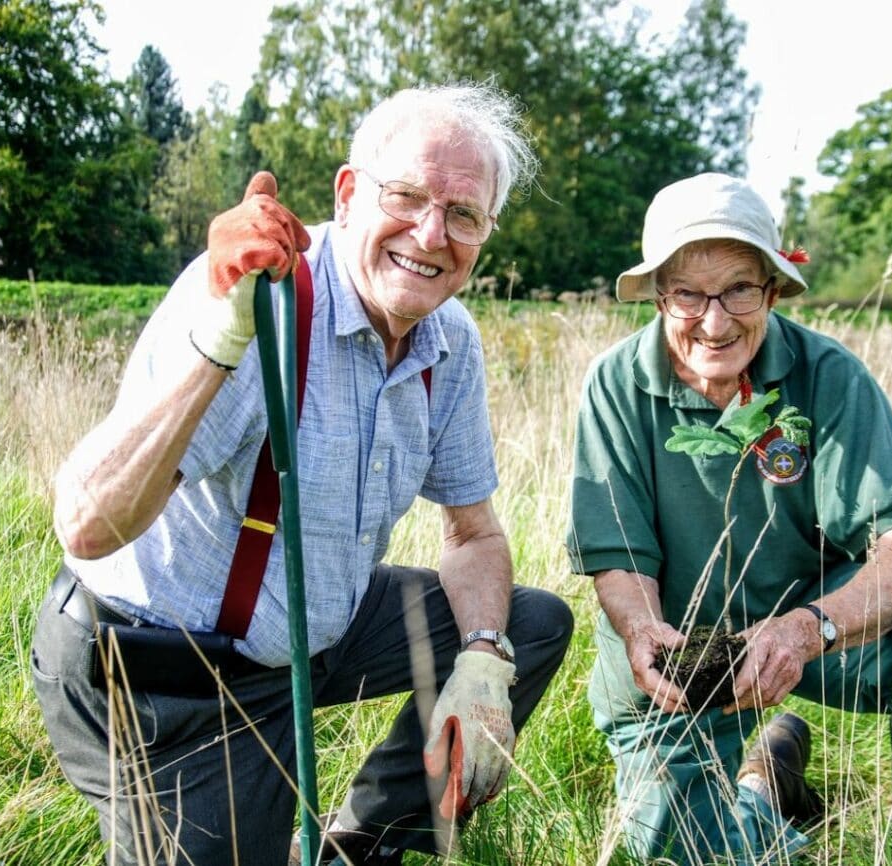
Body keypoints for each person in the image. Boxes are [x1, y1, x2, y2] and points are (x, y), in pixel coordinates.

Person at [32, 82, 573, 866]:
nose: (431, 233)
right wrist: (220, 345)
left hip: (305, 633)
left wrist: (484, 656)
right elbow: (88, 524)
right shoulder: (258, 297)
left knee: (526, 623)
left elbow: (474, 532)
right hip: (165, 674)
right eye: (406, 196)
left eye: (463, 214)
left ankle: (357, 845)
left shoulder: (448, 339)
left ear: (486, 231)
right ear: (349, 194)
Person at [566, 172, 892, 865]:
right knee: (695, 857)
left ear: (772, 289)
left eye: (740, 289)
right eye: (688, 292)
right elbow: (618, 555)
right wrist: (640, 629)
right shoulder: (615, 385)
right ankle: (765, 788)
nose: (715, 321)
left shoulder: (831, 375)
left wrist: (806, 631)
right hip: (677, 651)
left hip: (820, 624)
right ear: (658, 295)